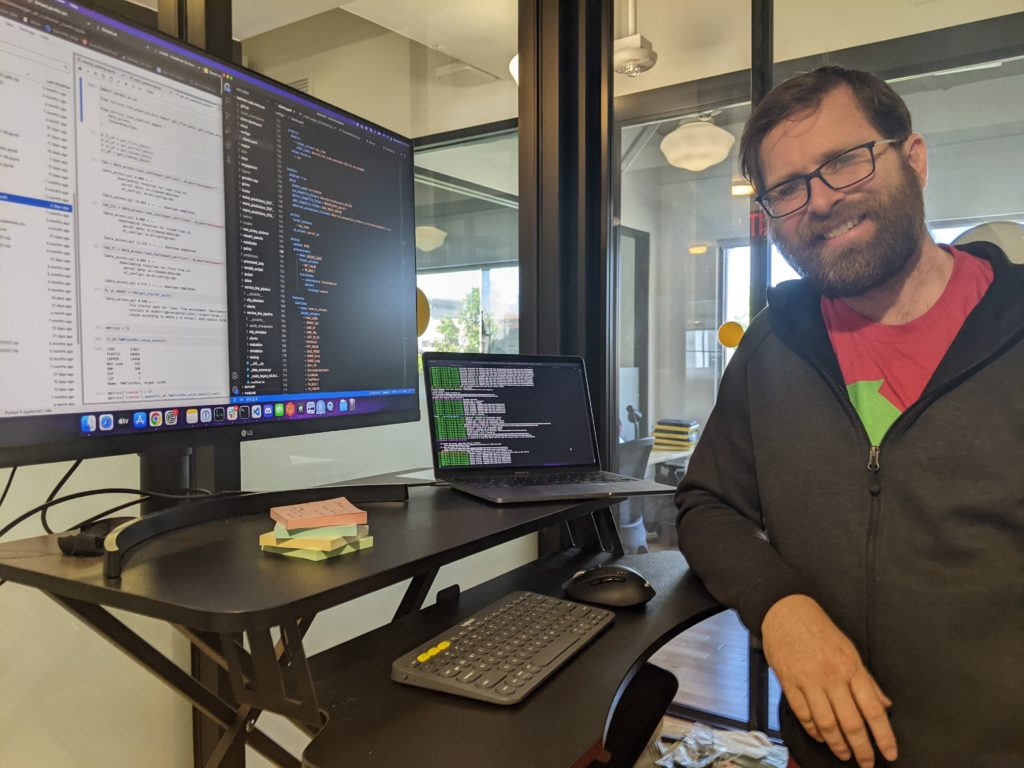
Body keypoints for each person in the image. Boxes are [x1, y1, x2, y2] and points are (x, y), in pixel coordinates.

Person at [674, 66, 1024, 768]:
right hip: (823, 752)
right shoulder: (772, 346)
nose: (821, 201)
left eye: (844, 161)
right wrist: (780, 607)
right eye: (787, 188)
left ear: (913, 158)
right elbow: (706, 504)